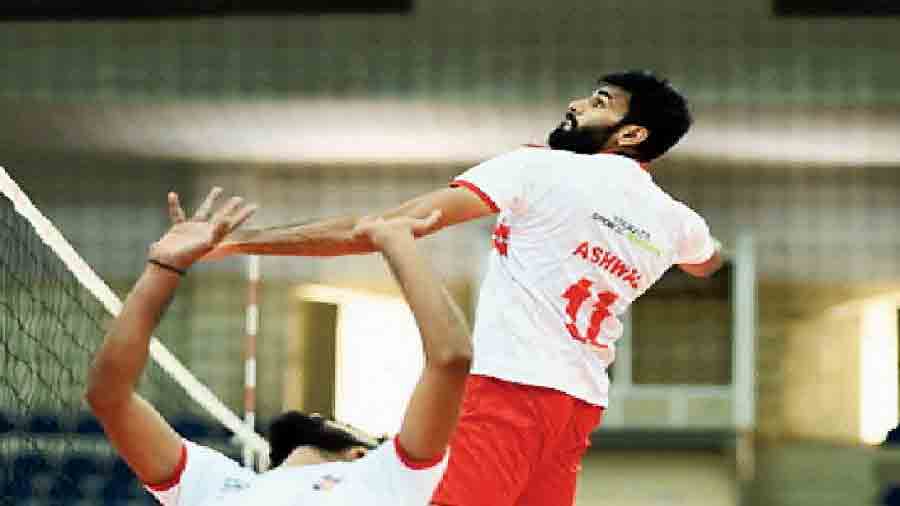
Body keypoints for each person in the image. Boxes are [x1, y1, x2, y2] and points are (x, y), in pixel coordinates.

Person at [210, 70, 724, 506]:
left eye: (597, 103)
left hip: (510, 389)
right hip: (577, 409)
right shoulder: (676, 221)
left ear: (631, 134)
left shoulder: (539, 166)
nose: (575, 106)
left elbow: (378, 229)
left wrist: (238, 243)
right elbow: (709, 261)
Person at [85, 187, 473, 506]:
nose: (321, 415)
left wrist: (397, 241)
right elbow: (109, 396)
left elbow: (451, 359)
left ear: (358, 452)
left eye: (342, 422)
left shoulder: (389, 476)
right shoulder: (216, 484)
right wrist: (164, 267)